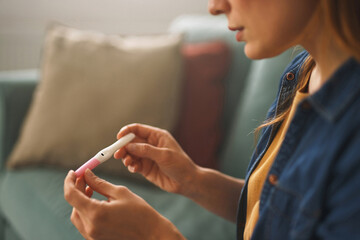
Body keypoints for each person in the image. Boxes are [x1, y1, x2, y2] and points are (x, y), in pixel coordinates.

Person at [64, 0, 360, 239]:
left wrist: (155, 235)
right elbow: (278, 213)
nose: (215, 6)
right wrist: (195, 179)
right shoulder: (303, 72)